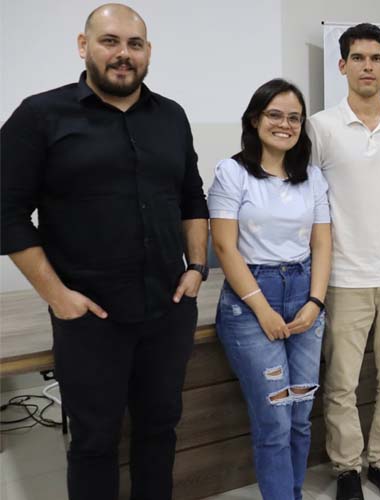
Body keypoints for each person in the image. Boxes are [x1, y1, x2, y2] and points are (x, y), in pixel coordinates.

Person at [0, 4, 208, 499]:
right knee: (94, 442)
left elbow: (191, 197)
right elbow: (5, 213)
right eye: (110, 41)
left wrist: (197, 266)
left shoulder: (171, 116)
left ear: (148, 52)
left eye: (134, 44)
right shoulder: (40, 115)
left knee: (160, 430)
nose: (123, 54)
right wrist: (59, 297)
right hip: (90, 319)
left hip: (168, 309)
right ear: (83, 45)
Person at [306, 23, 380, 500]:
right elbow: (312, 200)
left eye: (376, 58)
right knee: (341, 383)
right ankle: (347, 469)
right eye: (358, 58)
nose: (367, 66)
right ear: (342, 65)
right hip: (344, 276)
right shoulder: (320, 127)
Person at [208, 79, 331, 500]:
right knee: (275, 420)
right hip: (250, 301)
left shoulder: (312, 177)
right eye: (275, 115)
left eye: (294, 117)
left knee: (300, 415)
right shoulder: (232, 172)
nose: (285, 124)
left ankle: (292, 492)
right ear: (255, 120)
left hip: (304, 293)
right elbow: (224, 247)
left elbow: (322, 243)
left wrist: (316, 301)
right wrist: (262, 310)